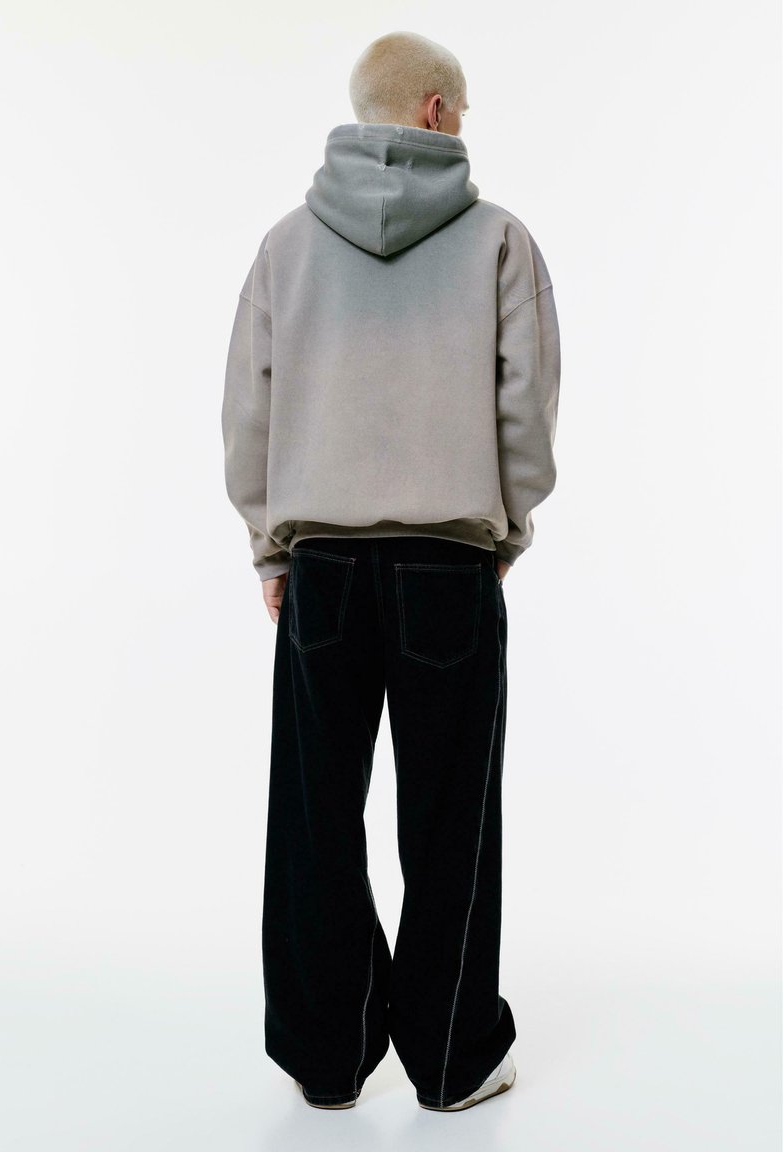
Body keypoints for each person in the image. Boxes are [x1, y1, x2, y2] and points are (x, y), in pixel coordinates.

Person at [221, 30, 561, 1112]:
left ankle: (325, 1062)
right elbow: (525, 412)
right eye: (461, 111)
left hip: (320, 569)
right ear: (431, 111)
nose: (463, 127)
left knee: (314, 819)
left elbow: (248, 413)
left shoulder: (285, 246)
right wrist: (501, 534)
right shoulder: (498, 241)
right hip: (446, 568)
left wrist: (272, 544)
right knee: (450, 820)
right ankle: (453, 1062)